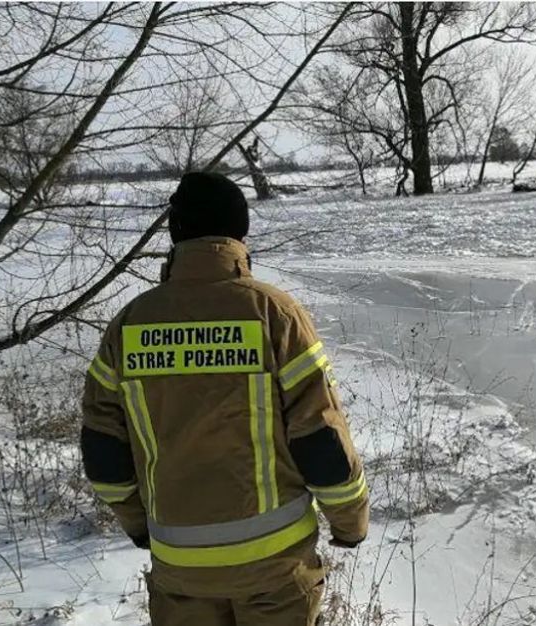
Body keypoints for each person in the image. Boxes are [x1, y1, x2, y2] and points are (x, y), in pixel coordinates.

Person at [80, 172, 368, 625]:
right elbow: (320, 438)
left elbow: (103, 449)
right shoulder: (275, 314)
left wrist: (139, 525)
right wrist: (350, 524)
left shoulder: (129, 325)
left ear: (175, 233)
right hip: (275, 571)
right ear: (240, 231)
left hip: (180, 572)